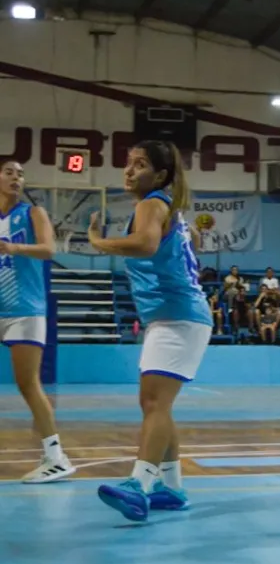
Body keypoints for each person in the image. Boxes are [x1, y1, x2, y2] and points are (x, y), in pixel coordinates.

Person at [87, 140, 212, 522]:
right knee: (156, 404)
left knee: (155, 404)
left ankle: (139, 484)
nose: (129, 170)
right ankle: (171, 487)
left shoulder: (152, 204)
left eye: (139, 164)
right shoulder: (161, 206)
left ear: (159, 175)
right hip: (173, 316)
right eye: (128, 163)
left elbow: (145, 244)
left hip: (179, 316)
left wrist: (99, 242)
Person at [0, 160, 75, 483]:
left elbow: (48, 249)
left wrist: (13, 248)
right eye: (9, 172)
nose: (16, 178)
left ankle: (56, 457)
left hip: (25, 308)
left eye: (20, 174)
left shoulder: (32, 213)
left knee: (28, 384)